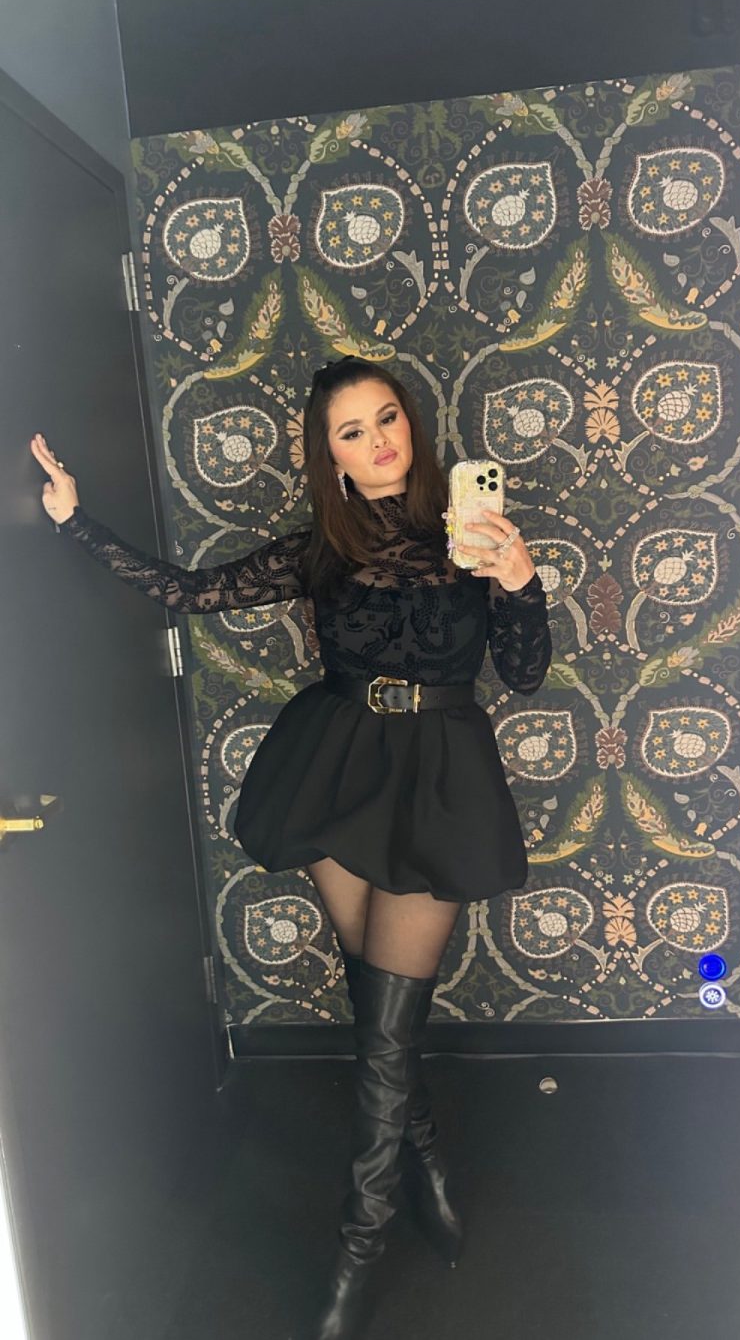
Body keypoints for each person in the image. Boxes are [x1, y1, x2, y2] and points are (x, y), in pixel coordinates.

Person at [30, 355, 552, 1339]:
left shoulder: (475, 537)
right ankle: (426, 1159)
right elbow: (187, 593)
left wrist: (522, 581)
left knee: (385, 1025)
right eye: (352, 432)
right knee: (379, 1013)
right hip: (339, 768)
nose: (378, 441)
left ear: (411, 422)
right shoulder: (319, 548)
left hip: (438, 782)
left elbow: (524, 674)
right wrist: (72, 521)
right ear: (330, 457)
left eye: (387, 417)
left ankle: (358, 1248)